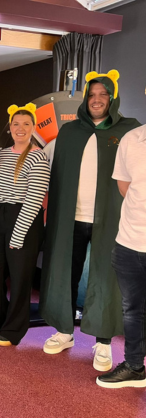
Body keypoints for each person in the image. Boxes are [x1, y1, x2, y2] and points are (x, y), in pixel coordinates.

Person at [40, 70, 141, 370]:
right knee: (64, 274)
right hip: (71, 217)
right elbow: (57, 177)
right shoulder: (70, 132)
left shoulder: (129, 131)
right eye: (92, 95)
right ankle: (64, 330)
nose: (97, 100)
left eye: (103, 95)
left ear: (112, 98)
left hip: (111, 219)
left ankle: (103, 342)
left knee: (106, 279)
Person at [0, 103, 49, 346]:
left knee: (20, 279)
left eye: (26, 124)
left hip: (24, 220)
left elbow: (34, 200)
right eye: (16, 124)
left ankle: (13, 329)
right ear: (10, 127)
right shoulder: (2, 154)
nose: (20, 128)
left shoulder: (38, 156)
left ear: (33, 128)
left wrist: (17, 235)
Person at [96, 124, 146, 388]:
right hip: (129, 241)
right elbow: (125, 188)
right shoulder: (132, 139)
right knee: (132, 310)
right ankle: (135, 367)